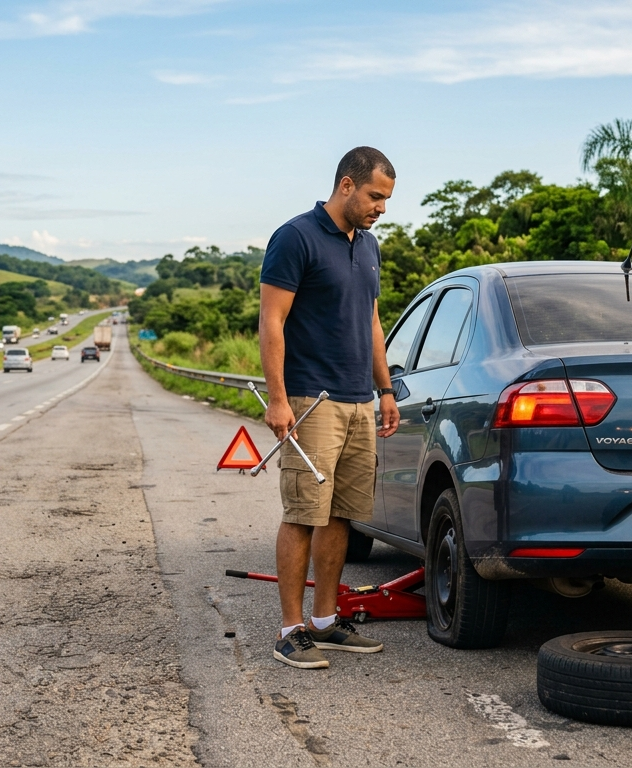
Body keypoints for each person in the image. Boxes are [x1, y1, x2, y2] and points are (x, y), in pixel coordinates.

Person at [258, 146, 401, 669]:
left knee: (341, 515)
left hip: (358, 400)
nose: (380, 208)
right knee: (302, 513)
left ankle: (324, 621)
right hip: (309, 400)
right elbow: (271, 321)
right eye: (375, 196)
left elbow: (372, 321)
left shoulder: (368, 245)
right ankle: (290, 630)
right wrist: (277, 398)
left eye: (386, 200)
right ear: (346, 185)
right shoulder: (295, 237)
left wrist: (385, 390)